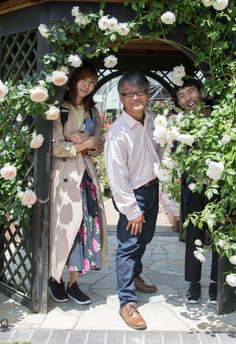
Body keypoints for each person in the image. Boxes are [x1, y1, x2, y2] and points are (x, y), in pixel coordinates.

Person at [105, 70, 162, 330]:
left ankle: (135, 276)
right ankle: (127, 302)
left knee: (145, 239)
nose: (135, 97)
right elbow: (116, 176)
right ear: (121, 98)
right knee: (128, 246)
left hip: (152, 189)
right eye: (129, 93)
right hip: (133, 194)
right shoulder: (118, 132)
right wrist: (131, 210)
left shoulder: (152, 120)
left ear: (148, 94)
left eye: (140, 92)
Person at [48, 61, 107, 305]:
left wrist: (87, 140)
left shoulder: (93, 112)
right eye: (84, 79)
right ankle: (54, 279)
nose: (88, 85)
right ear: (73, 79)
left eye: (92, 82)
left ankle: (73, 283)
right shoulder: (58, 109)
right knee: (63, 229)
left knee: (84, 230)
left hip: (86, 179)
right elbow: (54, 146)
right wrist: (84, 143)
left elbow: (99, 145)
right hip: (64, 178)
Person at [174, 78, 220, 304]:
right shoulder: (182, 121)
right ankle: (194, 283)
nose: (187, 99)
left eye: (190, 92)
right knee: (194, 234)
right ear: (179, 103)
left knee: (221, 234)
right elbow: (176, 154)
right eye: (181, 96)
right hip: (195, 187)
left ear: (201, 91)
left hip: (221, 186)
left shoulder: (218, 114)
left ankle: (215, 282)